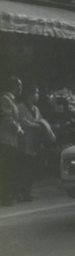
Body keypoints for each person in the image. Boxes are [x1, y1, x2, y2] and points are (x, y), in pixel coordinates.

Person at [17, 84, 56, 202]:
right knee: (24, 168)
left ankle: (27, 191)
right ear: (30, 95)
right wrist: (37, 125)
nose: (38, 95)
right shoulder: (20, 107)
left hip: (34, 142)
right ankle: (22, 192)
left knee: (31, 168)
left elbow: (40, 120)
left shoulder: (36, 109)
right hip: (24, 141)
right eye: (36, 93)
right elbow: (22, 122)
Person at [0, 76, 25, 206]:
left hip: (12, 140)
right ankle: (6, 196)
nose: (21, 88)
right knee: (7, 168)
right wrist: (19, 129)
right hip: (6, 139)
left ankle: (10, 194)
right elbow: (7, 119)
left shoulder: (11, 100)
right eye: (19, 86)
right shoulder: (5, 100)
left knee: (11, 168)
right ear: (14, 87)